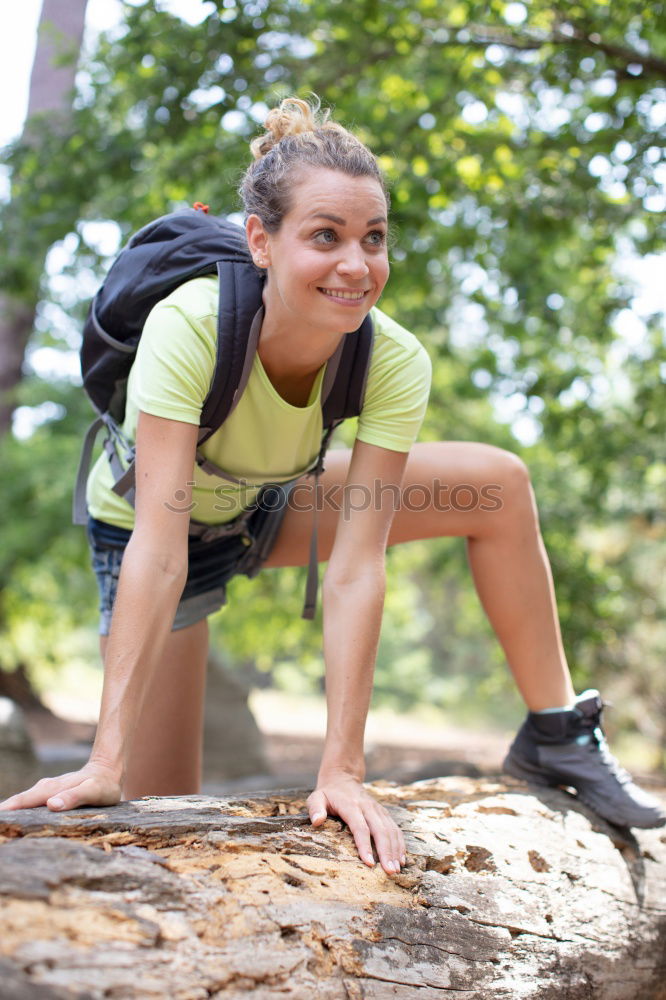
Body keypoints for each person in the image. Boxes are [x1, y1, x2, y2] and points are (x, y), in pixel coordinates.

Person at [1, 98, 663, 869]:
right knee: (156, 820)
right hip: (155, 528)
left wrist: (342, 769)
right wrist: (103, 760)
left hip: (266, 503)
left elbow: (357, 565)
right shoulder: (191, 326)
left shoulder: (392, 359)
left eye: (372, 239)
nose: (357, 265)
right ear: (262, 241)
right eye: (325, 235)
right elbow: (159, 545)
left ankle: (558, 735)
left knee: (498, 484)